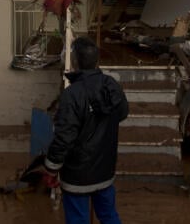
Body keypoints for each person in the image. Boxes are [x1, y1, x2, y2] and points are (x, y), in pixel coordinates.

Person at [44, 37, 129, 224]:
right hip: (105, 170)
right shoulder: (111, 86)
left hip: (77, 176)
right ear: (97, 61)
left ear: (74, 62)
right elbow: (122, 114)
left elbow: (64, 137)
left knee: (78, 220)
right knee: (109, 217)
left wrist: (51, 169)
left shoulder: (72, 94)